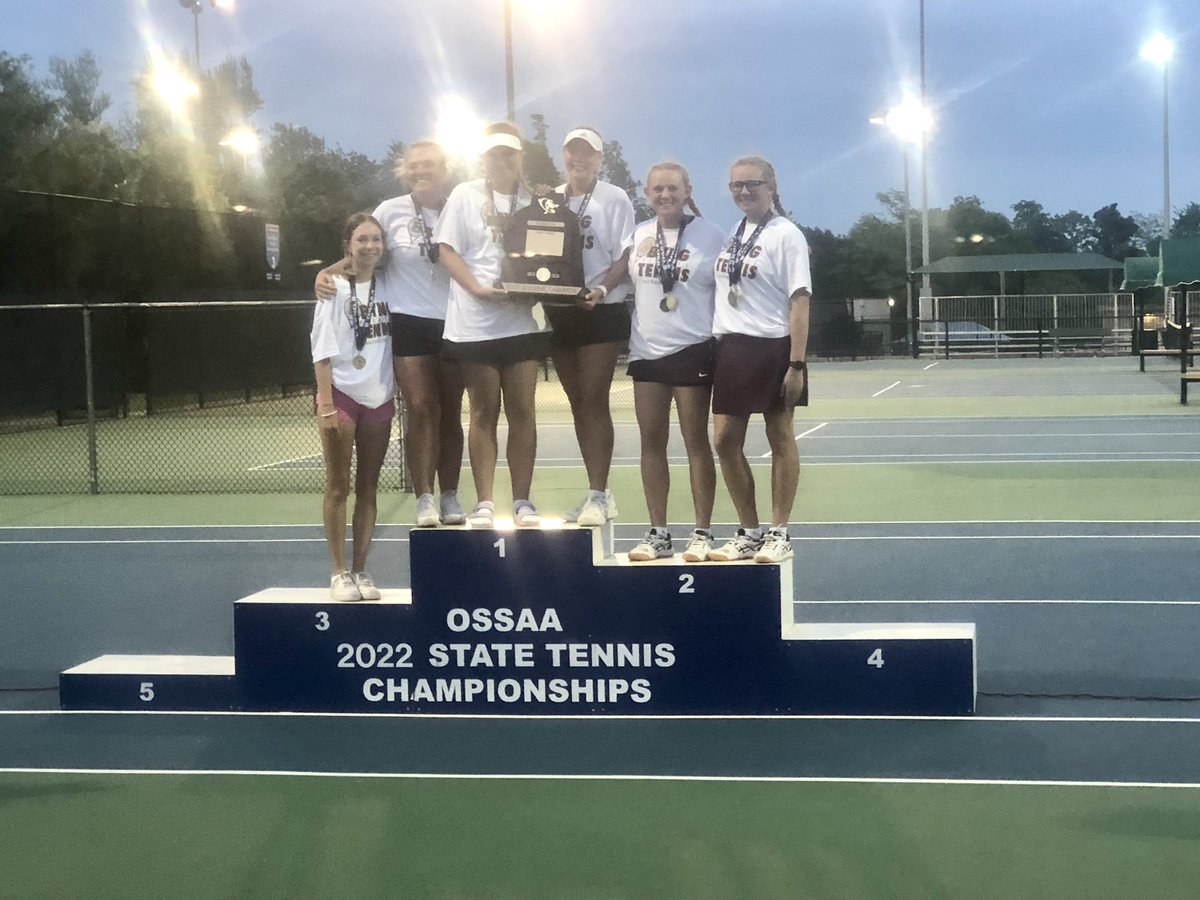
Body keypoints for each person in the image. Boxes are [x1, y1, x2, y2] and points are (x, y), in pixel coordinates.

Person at [316, 141, 465, 529]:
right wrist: (326, 273)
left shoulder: (459, 206)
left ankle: (449, 493)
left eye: (428, 164)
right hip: (408, 320)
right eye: (413, 165)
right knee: (420, 407)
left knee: (451, 411)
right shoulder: (390, 210)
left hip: (456, 322)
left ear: (444, 168)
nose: (420, 171)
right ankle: (425, 496)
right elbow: (364, 250)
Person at [433, 121, 547, 528]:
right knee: (483, 412)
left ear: (520, 158)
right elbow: (446, 249)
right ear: (484, 159)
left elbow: (547, 256)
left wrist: (536, 289)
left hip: (521, 321)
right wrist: (476, 289)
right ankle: (484, 502)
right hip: (475, 323)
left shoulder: (536, 201)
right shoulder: (464, 195)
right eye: (494, 155)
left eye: (509, 154)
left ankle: (522, 501)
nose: (501, 161)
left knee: (523, 411)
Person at [707, 156, 811, 564]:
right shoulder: (734, 233)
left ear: (772, 187)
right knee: (724, 440)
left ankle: (779, 532)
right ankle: (749, 532)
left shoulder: (786, 234)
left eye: (753, 184)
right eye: (737, 185)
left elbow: (799, 300)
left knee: (779, 435)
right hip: (732, 347)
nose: (744, 191)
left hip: (774, 347)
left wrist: (796, 364)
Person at [624, 162, 725, 563]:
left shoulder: (710, 234)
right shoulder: (639, 233)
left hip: (692, 347)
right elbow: (619, 274)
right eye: (657, 189)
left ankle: (702, 533)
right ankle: (658, 533)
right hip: (646, 350)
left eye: (672, 188)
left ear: (687, 191)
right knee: (651, 443)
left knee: (695, 442)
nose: (665, 195)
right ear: (647, 193)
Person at [548, 126, 636, 527]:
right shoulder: (550, 199)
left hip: (602, 308)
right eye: (573, 151)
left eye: (588, 153)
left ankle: (600, 494)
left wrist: (601, 288)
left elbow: (626, 256)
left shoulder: (614, 198)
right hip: (560, 309)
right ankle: (595, 493)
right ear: (563, 156)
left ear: (600, 159)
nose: (579, 159)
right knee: (577, 403)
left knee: (594, 399)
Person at [310, 213, 393, 601]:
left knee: (369, 487)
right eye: (362, 239)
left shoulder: (390, 284)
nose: (370, 246)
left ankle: (360, 569)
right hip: (341, 395)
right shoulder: (332, 288)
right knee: (338, 485)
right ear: (348, 245)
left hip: (379, 397)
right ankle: (338, 572)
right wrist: (326, 403)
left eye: (376, 239)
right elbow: (321, 350)